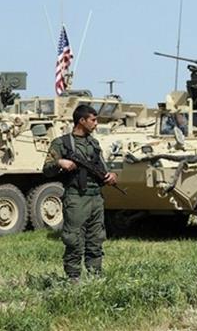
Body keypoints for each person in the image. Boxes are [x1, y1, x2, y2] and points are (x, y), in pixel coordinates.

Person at [42, 105, 118, 282]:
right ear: (81, 121)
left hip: (96, 198)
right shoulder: (62, 143)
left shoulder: (94, 143)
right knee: (74, 239)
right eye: (93, 120)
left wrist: (111, 176)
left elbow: (103, 168)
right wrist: (60, 162)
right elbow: (46, 169)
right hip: (76, 197)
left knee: (96, 240)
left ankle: (95, 277)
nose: (96, 124)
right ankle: (73, 279)